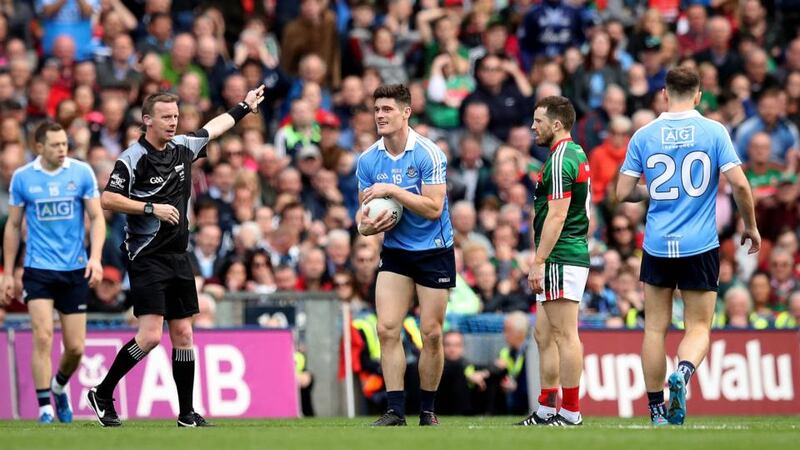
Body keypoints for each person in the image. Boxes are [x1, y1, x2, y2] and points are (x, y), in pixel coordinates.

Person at [86, 85, 266, 428]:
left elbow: (215, 127)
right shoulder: (132, 157)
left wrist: (244, 106)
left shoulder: (183, 147)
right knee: (152, 335)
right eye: (166, 117)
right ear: (147, 120)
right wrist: (151, 207)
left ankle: (186, 413)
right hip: (146, 256)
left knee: (184, 334)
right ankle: (103, 391)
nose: (173, 122)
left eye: (176, 117)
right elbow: (108, 199)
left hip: (178, 255)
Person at [616, 67, 760, 426]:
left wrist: (652, 191)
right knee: (697, 327)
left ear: (664, 94)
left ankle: (654, 411)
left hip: (658, 244)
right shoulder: (713, 131)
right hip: (700, 244)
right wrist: (751, 227)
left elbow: (622, 193)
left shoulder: (644, 135)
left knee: (654, 329)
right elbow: (740, 186)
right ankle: (681, 371)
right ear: (698, 96)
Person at [357, 84, 454, 426]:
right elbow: (364, 215)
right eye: (377, 109)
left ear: (406, 112)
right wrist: (366, 227)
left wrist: (393, 190)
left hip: (434, 251)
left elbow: (433, 208)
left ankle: (427, 410)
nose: (380, 115)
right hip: (396, 251)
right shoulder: (368, 160)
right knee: (386, 328)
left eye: (387, 109)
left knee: (431, 333)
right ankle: (395, 409)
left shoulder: (428, 153)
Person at [2, 122, 106, 423]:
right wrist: (9, 273)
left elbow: (97, 218)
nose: (63, 149)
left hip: (74, 269)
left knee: (75, 348)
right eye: (56, 145)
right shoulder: (23, 179)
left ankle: (59, 387)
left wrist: (96, 257)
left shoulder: (81, 173)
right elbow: (12, 226)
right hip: (38, 270)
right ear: (39, 147)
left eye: (64, 144)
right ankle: (45, 407)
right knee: (43, 336)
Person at [517, 96, 590, 427]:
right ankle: (547, 408)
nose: (533, 127)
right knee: (544, 336)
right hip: (562, 254)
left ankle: (571, 412)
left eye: (538, 121)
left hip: (560, 254)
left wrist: (539, 260)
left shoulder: (561, 159)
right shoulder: (572, 154)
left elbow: (558, 215)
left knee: (565, 334)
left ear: (556, 124)